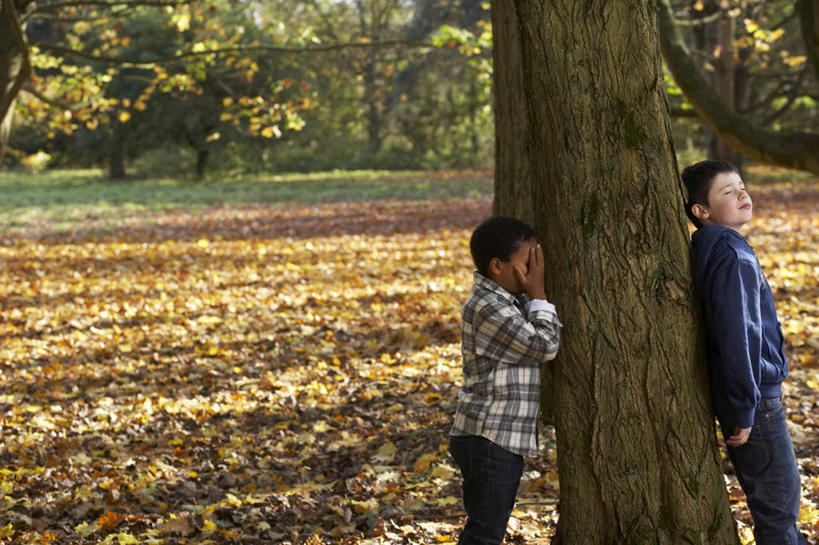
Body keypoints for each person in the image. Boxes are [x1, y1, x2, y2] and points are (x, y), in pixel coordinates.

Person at [682, 160, 807, 545]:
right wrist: (744, 407)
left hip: (750, 397)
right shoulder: (733, 257)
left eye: (741, 186)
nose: (742, 194)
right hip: (757, 402)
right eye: (727, 191)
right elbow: (739, 334)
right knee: (780, 508)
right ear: (701, 211)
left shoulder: (718, 247)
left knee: (779, 504)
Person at [449, 215, 562, 545]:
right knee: (485, 533)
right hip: (488, 438)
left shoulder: (508, 301)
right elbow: (544, 345)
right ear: (497, 266)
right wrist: (539, 295)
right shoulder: (486, 307)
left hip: (496, 438)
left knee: (486, 529)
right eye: (528, 264)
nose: (535, 272)